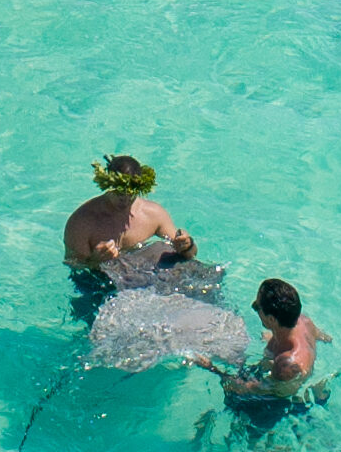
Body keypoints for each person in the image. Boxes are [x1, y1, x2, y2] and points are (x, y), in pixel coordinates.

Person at [62, 156, 188, 310]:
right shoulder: (82, 221)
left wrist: (188, 245)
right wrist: (95, 261)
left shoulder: (153, 214)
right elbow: (74, 267)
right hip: (100, 283)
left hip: (143, 277)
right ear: (107, 184)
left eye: (131, 192)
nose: (125, 198)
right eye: (119, 191)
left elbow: (187, 254)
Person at [198, 277, 323, 430]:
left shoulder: (286, 363)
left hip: (281, 403)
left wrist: (212, 369)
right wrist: (274, 336)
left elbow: (250, 389)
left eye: (257, 307)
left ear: (271, 319)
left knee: (233, 402)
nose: (254, 307)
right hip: (282, 374)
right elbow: (324, 338)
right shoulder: (304, 321)